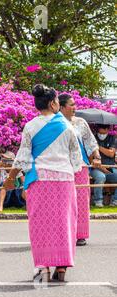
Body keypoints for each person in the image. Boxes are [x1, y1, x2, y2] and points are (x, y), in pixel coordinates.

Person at [4, 84, 82, 282]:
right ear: (53, 103)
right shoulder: (67, 126)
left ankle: (44, 268)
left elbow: (22, 157)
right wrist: (69, 170)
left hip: (40, 181)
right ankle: (62, 268)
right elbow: (76, 157)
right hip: (64, 180)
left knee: (41, 225)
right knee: (65, 223)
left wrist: (11, 178)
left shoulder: (31, 126)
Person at [59, 93, 101, 247]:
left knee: (82, 200)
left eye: (75, 104)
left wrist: (96, 157)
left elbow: (91, 142)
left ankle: (80, 234)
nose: (75, 107)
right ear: (61, 107)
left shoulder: (81, 123)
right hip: (61, 167)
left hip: (81, 167)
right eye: (71, 105)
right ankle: (63, 233)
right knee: (63, 201)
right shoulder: (55, 124)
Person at [90, 124, 117, 207]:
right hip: (96, 169)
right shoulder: (93, 138)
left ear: (107, 130)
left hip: (110, 168)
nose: (101, 135)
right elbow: (91, 158)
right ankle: (98, 201)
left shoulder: (112, 138)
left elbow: (111, 154)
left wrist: (98, 147)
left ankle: (115, 200)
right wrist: (103, 169)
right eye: (99, 133)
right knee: (101, 177)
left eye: (103, 133)